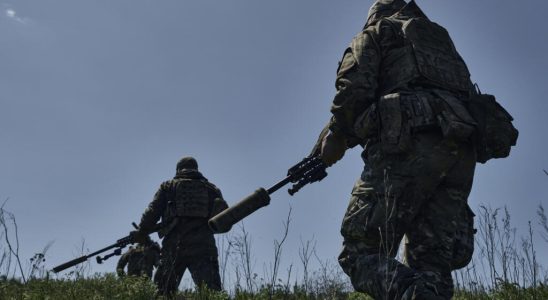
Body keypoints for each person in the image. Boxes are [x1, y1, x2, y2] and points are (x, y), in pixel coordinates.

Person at [315, 0, 486, 299]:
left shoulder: (378, 32)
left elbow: (353, 89)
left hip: (407, 145)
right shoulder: (439, 42)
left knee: (359, 253)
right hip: (460, 147)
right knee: (432, 262)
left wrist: (338, 133)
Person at [132, 156, 229, 296]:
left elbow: (152, 212)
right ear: (196, 169)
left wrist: (142, 232)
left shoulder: (168, 186)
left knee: (163, 292)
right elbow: (223, 216)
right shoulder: (212, 189)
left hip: (174, 245)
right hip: (204, 246)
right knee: (212, 293)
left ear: (178, 169)